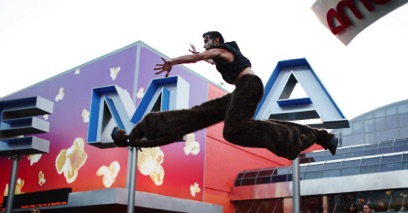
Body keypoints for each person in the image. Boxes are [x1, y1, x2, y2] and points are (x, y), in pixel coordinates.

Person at [111, 31, 338, 161]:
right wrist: (202, 56)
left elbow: (200, 58)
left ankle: (298, 139)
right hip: (242, 89)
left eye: (206, 42)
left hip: (249, 86)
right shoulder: (223, 56)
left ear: (216, 41)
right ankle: (151, 126)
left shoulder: (223, 49)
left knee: (232, 131)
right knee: (201, 114)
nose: (204, 46)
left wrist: (174, 61)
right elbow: (208, 59)